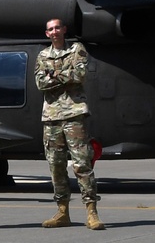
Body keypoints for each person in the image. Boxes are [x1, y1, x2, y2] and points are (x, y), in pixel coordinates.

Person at [35, 18, 104, 229]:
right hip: (51, 117)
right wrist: (64, 75)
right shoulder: (42, 55)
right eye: (50, 29)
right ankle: (62, 211)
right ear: (47, 33)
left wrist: (53, 74)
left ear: (64, 29)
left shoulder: (76, 49)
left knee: (82, 163)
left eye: (57, 28)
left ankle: (91, 211)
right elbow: (40, 82)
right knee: (55, 165)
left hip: (74, 114)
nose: (54, 31)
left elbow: (80, 74)